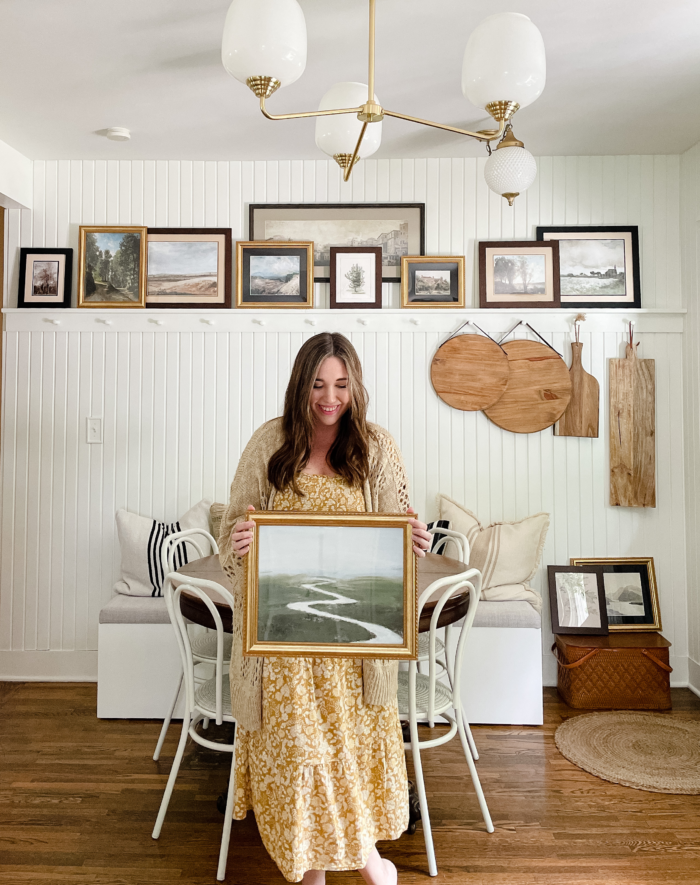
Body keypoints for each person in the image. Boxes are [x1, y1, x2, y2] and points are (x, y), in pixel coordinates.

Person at [218, 332, 431, 885]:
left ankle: (357, 866)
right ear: (300, 384)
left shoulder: (377, 447)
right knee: (302, 764)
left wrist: (412, 540)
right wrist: (239, 538)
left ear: (355, 386)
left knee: (345, 760)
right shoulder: (270, 442)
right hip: (282, 646)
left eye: (340, 385)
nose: (329, 398)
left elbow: (397, 530)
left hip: (352, 650)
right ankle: (346, 868)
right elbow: (231, 529)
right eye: (317, 384)